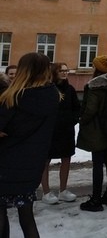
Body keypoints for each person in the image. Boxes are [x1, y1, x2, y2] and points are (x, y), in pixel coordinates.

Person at [0, 52, 60, 238]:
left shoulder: (12, 98)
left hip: (5, 164)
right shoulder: (53, 96)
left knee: (0, 214)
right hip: (33, 165)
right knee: (27, 217)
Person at [76, 51, 107, 211]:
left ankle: (96, 200)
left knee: (97, 163)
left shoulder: (94, 86)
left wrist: (82, 120)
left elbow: (91, 109)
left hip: (96, 128)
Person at [40, 62, 80, 205]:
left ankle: (63, 190)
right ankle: (46, 192)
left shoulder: (70, 89)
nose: (64, 73)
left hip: (66, 131)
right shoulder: (46, 89)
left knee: (66, 159)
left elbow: (77, 108)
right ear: (54, 72)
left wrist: (72, 120)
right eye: (61, 71)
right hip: (49, 131)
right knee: (45, 161)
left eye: (66, 70)